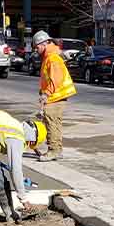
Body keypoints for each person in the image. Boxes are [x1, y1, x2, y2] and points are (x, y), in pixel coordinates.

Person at [32, 30, 77, 162]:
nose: (36, 49)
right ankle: (57, 149)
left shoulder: (52, 58)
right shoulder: (49, 56)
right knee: (54, 123)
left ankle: (54, 151)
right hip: (56, 96)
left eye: (37, 46)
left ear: (44, 43)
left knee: (51, 122)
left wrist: (46, 94)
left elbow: (55, 79)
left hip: (56, 96)